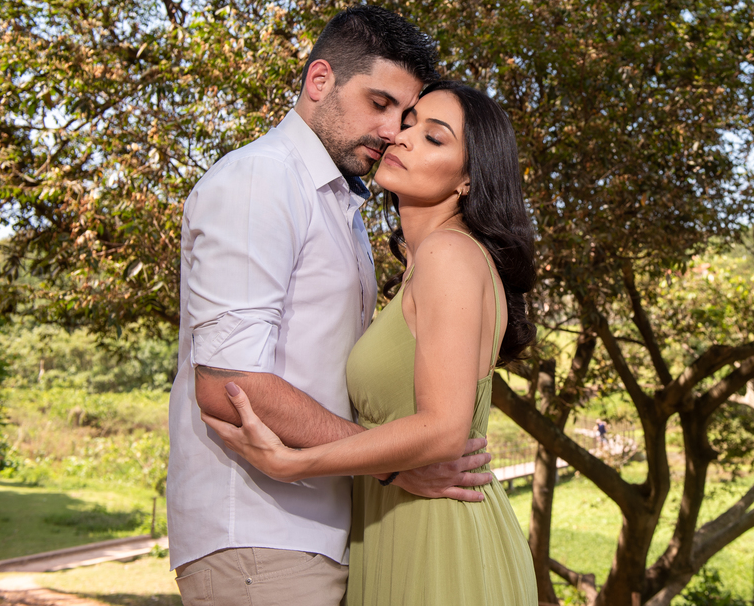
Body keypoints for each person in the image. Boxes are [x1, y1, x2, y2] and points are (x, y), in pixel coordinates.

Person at [168, 7, 495, 606]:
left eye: (406, 116)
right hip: (261, 536)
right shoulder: (260, 181)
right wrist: (393, 466)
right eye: (380, 104)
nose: (392, 131)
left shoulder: (339, 205)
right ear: (320, 81)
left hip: (323, 535)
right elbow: (227, 384)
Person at [206, 81, 539, 605]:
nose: (403, 138)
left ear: (468, 181)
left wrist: (292, 463)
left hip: (438, 537)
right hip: (400, 524)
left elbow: (444, 429)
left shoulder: (449, 254)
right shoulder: (424, 263)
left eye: (434, 137)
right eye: (408, 124)